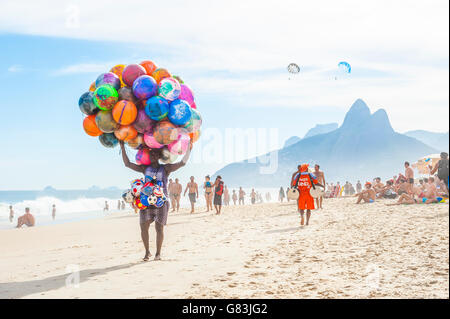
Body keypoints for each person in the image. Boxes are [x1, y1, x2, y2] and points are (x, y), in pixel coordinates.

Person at [119, 140, 192, 261]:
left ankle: (158, 253)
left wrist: (189, 148)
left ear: (159, 156)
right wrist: (122, 147)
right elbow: (127, 164)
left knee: (159, 228)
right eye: (151, 153)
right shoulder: (144, 168)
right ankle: (147, 252)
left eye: (155, 153)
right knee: (143, 227)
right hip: (146, 203)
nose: (153, 155)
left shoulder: (166, 169)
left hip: (161, 202)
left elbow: (182, 163)